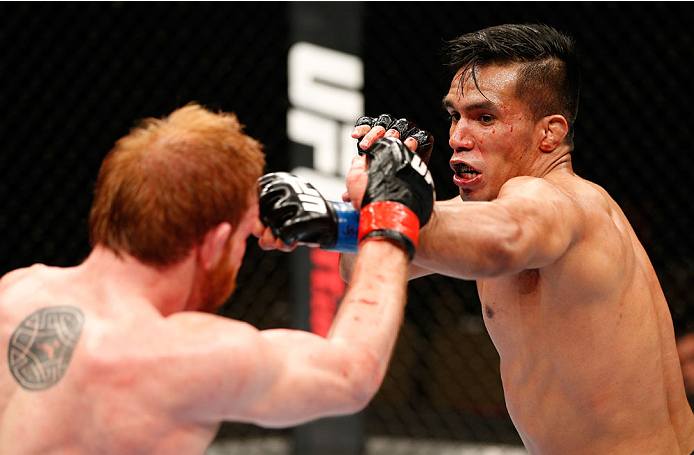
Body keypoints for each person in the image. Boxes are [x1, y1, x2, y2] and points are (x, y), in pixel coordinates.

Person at [0, 103, 434, 455]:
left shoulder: (18, 291)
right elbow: (349, 375)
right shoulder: (182, 354)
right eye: (243, 237)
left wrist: (340, 225)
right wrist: (393, 214)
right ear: (213, 244)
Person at [340, 24, 694, 454]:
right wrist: (389, 198)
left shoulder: (559, 200)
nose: (456, 138)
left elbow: (506, 240)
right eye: (455, 115)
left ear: (550, 133)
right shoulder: (482, 212)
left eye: (485, 118)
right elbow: (361, 264)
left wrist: (399, 200)